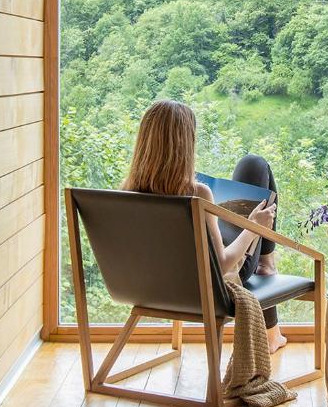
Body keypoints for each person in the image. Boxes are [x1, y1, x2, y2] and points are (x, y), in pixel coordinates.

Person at [122, 100, 288, 353]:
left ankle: (266, 265)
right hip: (209, 283)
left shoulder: (126, 193)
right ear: (186, 144)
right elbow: (221, 266)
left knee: (250, 167)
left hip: (154, 286)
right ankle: (267, 265)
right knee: (254, 165)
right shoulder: (197, 192)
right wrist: (254, 227)